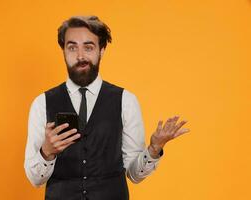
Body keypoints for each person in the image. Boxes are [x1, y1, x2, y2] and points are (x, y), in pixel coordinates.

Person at [24, 15, 190, 200]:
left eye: (88, 47)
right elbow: (35, 180)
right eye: (72, 47)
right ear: (63, 50)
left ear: (101, 51)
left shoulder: (126, 101)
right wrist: (46, 152)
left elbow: (134, 175)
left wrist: (153, 149)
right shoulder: (42, 103)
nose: (80, 56)